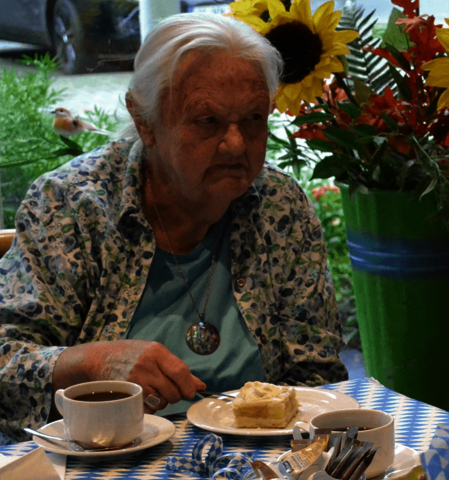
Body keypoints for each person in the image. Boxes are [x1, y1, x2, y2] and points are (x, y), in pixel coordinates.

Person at [0, 13, 347, 442]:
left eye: (255, 119)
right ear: (145, 121)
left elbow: (319, 378)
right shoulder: (71, 206)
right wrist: (88, 363)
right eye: (208, 121)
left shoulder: (279, 206)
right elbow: (6, 361)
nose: (237, 144)